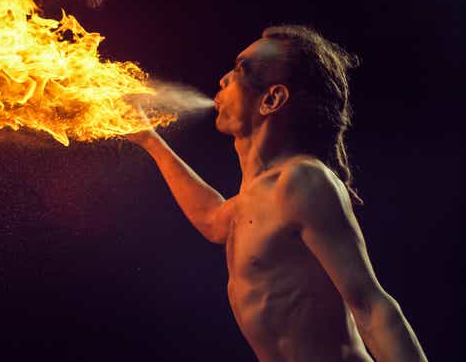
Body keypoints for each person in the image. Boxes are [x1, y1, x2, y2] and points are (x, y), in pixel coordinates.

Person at [127, 25, 427, 362]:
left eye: (242, 69)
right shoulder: (254, 198)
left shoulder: (302, 180)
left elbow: (372, 307)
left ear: (271, 99)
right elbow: (212, 218)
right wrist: (149, 140)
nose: (224, 78)